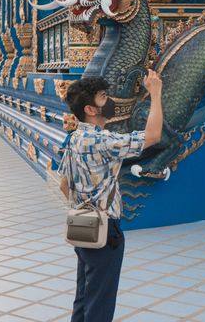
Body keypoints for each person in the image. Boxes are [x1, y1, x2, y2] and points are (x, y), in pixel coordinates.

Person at [58, 71, 163, 322]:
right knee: (100, 303)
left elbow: (64, 184)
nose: (111, 100)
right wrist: (156, 94)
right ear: (90, 109)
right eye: (104, 97)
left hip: (81, 226)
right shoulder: (101, 140)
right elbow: (153, 136)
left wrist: (86, 203)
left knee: (84, 296)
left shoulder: (74, 138)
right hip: (105, 230)